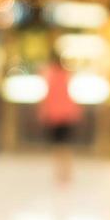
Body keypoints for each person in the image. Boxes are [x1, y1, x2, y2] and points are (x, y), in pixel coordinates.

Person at [38, 55, 83, 186]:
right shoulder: (67, 75)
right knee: (65, 145)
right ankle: (66, 173)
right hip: (67, 114)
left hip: (55, 115)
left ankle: (60, 173)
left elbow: (47, 96)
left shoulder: (49, 75)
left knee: (58, 146)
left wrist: (43, 112)